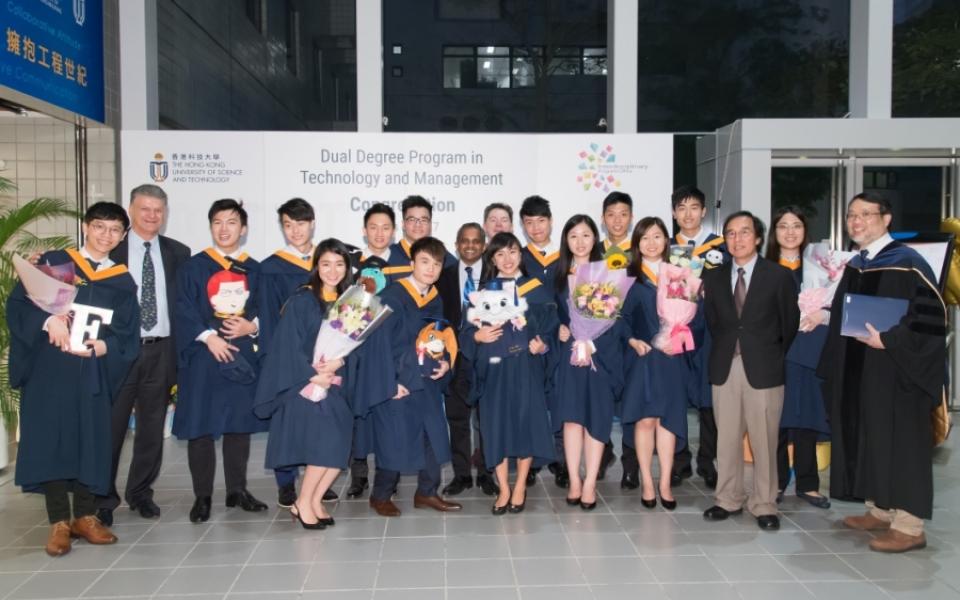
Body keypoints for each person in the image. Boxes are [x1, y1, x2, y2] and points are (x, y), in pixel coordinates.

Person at [8, 202, 140, 556]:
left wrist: (103, 346)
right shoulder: (53, 263)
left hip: (91, 371)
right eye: (99, 227)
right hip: (50, 370)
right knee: (52, 440)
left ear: (123, 235)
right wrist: (46, 322)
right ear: (85, 227)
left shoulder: (122, 280)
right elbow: (18, 306)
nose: (105, 235)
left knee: (90, 440)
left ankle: (84, 516)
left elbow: (127, 334)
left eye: (114, 230)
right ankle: (58, 522)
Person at [819, 192, 946, 553]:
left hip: (897, 372)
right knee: (872, 436)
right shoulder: (858, 264)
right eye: (851, 215)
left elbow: (930, 322)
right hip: (864, 372)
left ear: (886, 219)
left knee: (901, 442)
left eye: (865, 214)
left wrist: (890, 340)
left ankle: (909, 526)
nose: (856, 221)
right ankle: (880, 509)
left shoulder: (909, 263)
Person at [253, 239, 393, 530]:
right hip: (307, 386)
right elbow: (286, 347)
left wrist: (339, 362)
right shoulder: (303, 299)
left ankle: (315, 500)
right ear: (316, 266)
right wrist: (311, 374)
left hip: (338, 383)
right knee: (323, 447)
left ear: (348, 267)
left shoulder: (352, 301)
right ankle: (303, 502)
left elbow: (356, 348)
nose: (332, 271)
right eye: (326, 264)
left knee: (338, 449)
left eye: (339, 264)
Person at [96, 185, 190, 527]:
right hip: (120, 351)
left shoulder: (179, 252)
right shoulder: (112, 249)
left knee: (152, 427)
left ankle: (140, 493)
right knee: (112, 427)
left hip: (161, 349)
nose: (152, 216)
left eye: (158, 210)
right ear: (131, 210)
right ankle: (102, 496)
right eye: (145, 209)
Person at [172, 199, 269, 523]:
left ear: (243, 229)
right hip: (204, 357)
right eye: (217, 222)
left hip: (240, 357)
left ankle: (237, 490)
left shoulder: (256, 269)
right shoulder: (193, 267)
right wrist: (207, 336)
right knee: (201, 428)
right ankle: (203, 496)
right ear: (211, 227)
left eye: (231, 222)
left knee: (238, 426)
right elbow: (182, 308)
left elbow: (266, 310)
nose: (224, 229)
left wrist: (252, 326)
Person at [702, 211, 799, 531]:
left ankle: (764, 503)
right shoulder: (714, 277)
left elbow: (789, 324)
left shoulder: (778, 276)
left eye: (744, 233)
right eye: (730, 233)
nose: (737, 239)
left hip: (764, 367)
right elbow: (715, 323)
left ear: (758, 238)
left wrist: (768, 352)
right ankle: (727, 498)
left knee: (764, 439)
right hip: (726, 366)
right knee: (726, 438)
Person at [460, 232, 558, 514]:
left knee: (525, 426)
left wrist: (543, 345)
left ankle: (519, 487)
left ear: (521, 255)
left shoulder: (536, 289)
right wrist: (478, 336)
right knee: (495, 428)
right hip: (494, 373)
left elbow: (550, 329)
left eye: (512, 252)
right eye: (500, 254)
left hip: (526, 369)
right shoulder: (481, 292)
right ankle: (503, 487)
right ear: (492, 258)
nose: (507, 259)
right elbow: (465, 334)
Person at [367, 237, 463, 516]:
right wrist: (389, 383)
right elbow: (378, 346)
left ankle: (427, 492)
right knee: (394, 439)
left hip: (427, 381)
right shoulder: (391, 296)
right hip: (398, 383)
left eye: (436, 263)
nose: (431, 269)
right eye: (424, 262)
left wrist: (446, 362)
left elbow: (438, 337)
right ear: (412, 263)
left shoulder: (435, 298)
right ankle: (381, 495)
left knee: (433, 436)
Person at [257, 198, 337, 507]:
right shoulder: (272, 268)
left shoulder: (328, 264)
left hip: (325, 360)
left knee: (317, 419)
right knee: (288, 421)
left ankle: (314, 477)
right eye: (288, 225)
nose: (295, 231)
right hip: (288, 357)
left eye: (301, 224)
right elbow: (267, 317)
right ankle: (286, 482)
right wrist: (273, 360)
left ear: (312, 224)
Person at [552, 215, 627, 510]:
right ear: (566, 241)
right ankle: (573, 479)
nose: (580, 242)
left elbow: (616, 322)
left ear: (595, 239)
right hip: (569, 358)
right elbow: (552, 316)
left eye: (585, 235)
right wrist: (558, 329)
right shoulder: (559, 278)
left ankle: (590, 483)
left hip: (600, 358)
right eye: (573, 236)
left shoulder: (609, 274)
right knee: (571, 420)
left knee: (596, 421)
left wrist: (591, 342)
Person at [620, 217, 689, 511]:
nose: (651, 243)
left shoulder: (681, 273)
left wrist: (680, 335)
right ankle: (647, 481)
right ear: (637, 244)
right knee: (645, 420)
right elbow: (616, 318)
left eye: (657, 236)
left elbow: (691, 314)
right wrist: (632, 340)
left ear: (667, 241)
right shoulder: (628, 278)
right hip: (643, 357)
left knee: (668, 420)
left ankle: (664, 484)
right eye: (644, 238)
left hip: (672, 357)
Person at [767, 206, 830, 509]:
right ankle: (777, 481)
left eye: (796, 226)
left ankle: (808, 482)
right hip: (773, 352)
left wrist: (823, 314)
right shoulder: (764, 267)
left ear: (805, 231)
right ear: (774, 232)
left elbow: (834, 304)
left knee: (806, 414)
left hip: (807, 351)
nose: (790, 232)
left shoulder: (819, 270)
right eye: (783, 226)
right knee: (776, 418)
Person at [437, 223, 499, 497]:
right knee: (457, 419)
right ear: (457, 244)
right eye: (465, 240)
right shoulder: (443, 276)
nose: (470, 245)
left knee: (486, 419)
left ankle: (487, 473)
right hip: (454, 358)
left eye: (476, 241)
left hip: (487, 354)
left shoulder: (497, 274)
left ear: (484, 245)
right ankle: (461, 475)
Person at [671, 185, 727, 489]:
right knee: (677, 396)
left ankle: (708, 460)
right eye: (681, 208)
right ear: (674, 213)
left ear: (704, 211)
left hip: (712, 333)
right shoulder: (666, 247)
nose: (688, 214)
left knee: (708, 400)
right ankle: (680, 461)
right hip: (677, 331)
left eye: (694, 207)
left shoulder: (722, 247)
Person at [347, 202, 398, 498]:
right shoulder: (351, 264)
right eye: (373, 227)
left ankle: (386, 477)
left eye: (386, 227)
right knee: (358, 413)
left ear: (394, 231)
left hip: (390, 350)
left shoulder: (404, 263)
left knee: (385, 412)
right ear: (364, 230)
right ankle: (359, 474)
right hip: (356, 350)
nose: (379, 233)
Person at [518, 195, 567, 487]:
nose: (536, 228)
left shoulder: (566, 256)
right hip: (532, 340)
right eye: (529, 223)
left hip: (565, 337)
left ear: (550, 221)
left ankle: (560, 460)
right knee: (533, 401)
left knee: (560, 399)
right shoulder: (519, 258)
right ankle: (533, 459)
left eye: (541, 221)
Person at [597, 191, 640, 489]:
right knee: (599, 402)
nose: (617, 220)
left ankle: (631, 464)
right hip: (599, 338)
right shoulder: (592, 251)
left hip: (633, 340)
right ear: (603, 219)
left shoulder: (642, 253)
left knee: (630, 404)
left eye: (623, 214)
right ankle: (602, 454)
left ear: (631, 217)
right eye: (611, 214)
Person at [387, 195, 457, 273]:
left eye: (423, 220)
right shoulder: (387, 256)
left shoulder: (444, 258)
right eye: (412, 219)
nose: (418, 224)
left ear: (430, 224)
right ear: (403, 224)